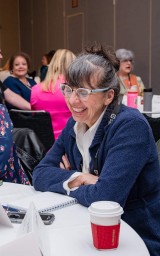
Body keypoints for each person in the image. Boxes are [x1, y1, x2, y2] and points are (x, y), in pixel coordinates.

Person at [33, 43, 160, 255]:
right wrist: (79, 178)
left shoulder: (129, 126)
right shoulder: (73, 125)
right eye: (69, 90)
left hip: (134, 236)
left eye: (83, 92)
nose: (73, 101)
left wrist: (70, 180)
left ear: (109, 96)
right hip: (83, 226)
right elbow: (39, 174)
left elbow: (106, 198)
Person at [31, 49, 75, 140]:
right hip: (70, 142)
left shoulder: (35, 90)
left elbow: (34, 117)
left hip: (43, 145)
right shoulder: (73, 89)